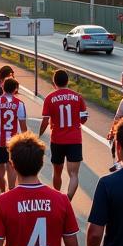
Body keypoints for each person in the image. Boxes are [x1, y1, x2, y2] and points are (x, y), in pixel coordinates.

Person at [39, 70, 89, 198]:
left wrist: (39, 135)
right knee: (74, 175)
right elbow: (83, 118)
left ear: (54, 82)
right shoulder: (77, 97)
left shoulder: (50, 98)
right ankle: (68, 199)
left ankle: (57, 197)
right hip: (74, 140)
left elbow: (45, 120)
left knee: (57, 173)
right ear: (67, 81)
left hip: (57, 140)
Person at [0, 77, 28, 192]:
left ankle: (3, 193)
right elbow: (23, 127)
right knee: (11, 167)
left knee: (0, 169)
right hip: (13, 141)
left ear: (2, 87)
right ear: (15, 89)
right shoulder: (19, 104)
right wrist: (26, 140)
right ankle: (12, 191)